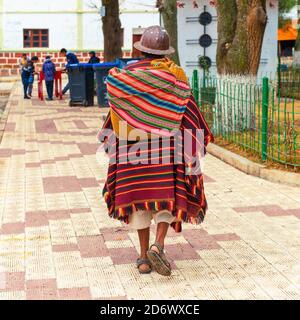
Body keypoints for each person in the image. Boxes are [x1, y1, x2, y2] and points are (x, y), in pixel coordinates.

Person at [99, 26, 214, 276]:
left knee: (138, 202)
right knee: (166, 200)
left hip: (131, 151)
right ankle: (158, 246)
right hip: (166, 151)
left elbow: (115, 114)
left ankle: (142, 258)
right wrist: (194, 146)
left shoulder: (125, 77)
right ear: (165, 53)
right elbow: (189, 112)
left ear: (141, 51)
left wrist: (111, 142)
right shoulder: (175, 78)